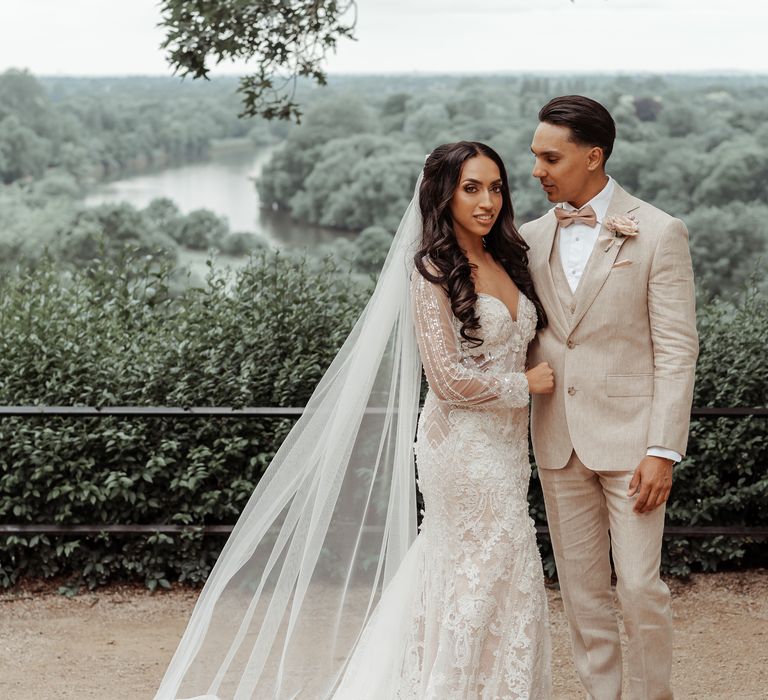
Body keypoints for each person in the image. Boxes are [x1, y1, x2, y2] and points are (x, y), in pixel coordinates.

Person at [155, 142, 554, 700]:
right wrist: (524, 385)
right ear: (443, 193)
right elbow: (444, 379)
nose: (488, 200)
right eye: (471, 188)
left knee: (502, 567)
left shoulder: (509, 258)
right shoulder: (433, 270)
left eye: (495, 187)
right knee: (482, 564)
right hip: (459, 447)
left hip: (509, 449)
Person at [521, 95, 699, 700]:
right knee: (581, 589)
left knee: (641, 587)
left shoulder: (658, 231)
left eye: (551, 157)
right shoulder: (528, 238)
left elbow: (677, 351)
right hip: (557, 439)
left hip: (633, 443)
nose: (538, 170)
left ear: (593, 156)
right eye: (535, 157)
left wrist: (662, 449)